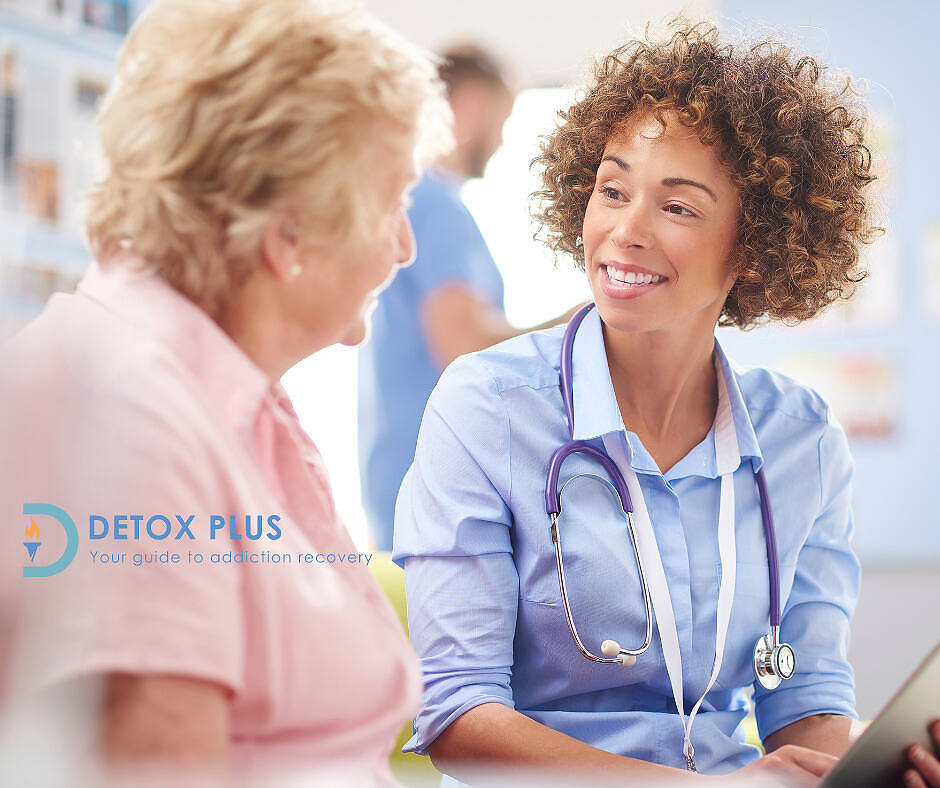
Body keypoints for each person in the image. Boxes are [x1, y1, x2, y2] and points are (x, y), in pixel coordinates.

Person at [394, 22, 940, 786]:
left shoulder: (802, 440)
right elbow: (457, 718)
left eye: (678, 208)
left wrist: (861, 774)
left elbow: (805, 697)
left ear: (754, 246)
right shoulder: (487, 407)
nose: (624, 230)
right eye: (612, 191)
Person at [0, 0, 450, 784]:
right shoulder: (125, 410)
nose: (406, 246)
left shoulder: (223, 397)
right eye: (393, 203)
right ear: (290, 232)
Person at [357, 44, 581, 551]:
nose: (501, 140)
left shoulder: (418, 201)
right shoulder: (436, 207)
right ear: (472, 104)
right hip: (432, 498)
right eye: (501, 120)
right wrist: (570, 325)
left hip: (404, 487)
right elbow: (462, 345)